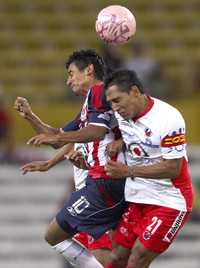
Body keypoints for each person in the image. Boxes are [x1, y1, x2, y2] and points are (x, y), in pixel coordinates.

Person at [14, 49, 126, 268]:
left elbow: (95, 132)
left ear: (89, 70)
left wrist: (57, 137)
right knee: (106, 257)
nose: (68, 81)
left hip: (104, 182)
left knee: (53, 235)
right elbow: (59, 138)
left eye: (71, 73)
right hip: (100, 183)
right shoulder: (90, 104)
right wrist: (30, 116)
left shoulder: (99, 91)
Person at [102, 69, 194, 268]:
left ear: (135, 91)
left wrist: (128, 171)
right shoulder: (123, 116)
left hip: (169, 200)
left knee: (137, 258)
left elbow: (173, 168)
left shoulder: (169, 118)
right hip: (138, 196)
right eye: (111, 103)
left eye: (117, 100)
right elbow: (138, 138)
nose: (114, 108)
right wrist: (120, 142)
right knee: (116, 257)